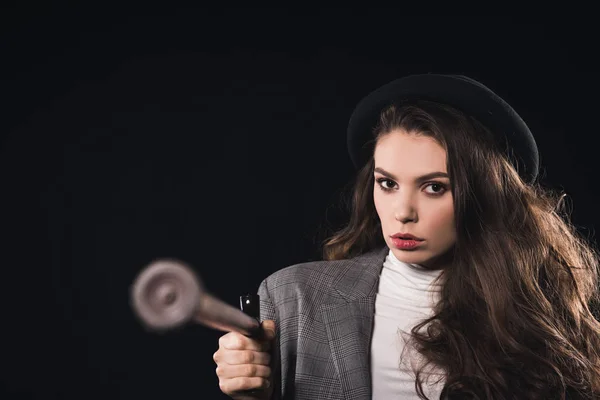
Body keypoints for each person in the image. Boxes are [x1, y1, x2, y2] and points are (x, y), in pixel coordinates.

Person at [212, 74, 600, 399]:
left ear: (482, 197)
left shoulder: (535, 321)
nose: (403, 212)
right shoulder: (292, 299)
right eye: (388, 183)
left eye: (434, 188)